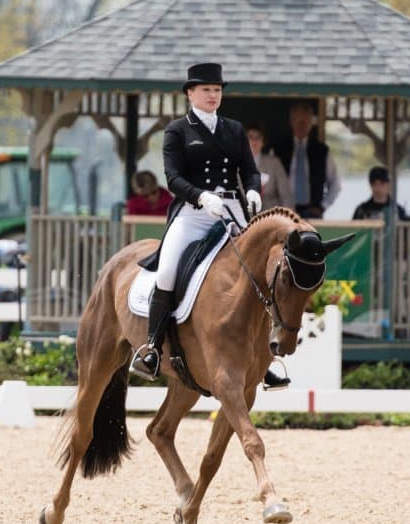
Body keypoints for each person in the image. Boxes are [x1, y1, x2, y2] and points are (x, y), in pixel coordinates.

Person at [130, 62, 279, 385]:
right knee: (167, 271)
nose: (213, 95)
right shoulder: (178, 130)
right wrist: (201, 196)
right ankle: (152, 347)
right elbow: (173, 178)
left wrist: (253, 189)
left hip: (232, 208)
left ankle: (264, 354)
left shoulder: (234, 129)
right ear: (190, 93)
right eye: (206, 90)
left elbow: (249, 169)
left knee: (260, 270)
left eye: (217, 90)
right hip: (193, 212)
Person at [271, 101, 341, 218]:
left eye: (306, 121)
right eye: (299, 121)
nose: (302, 125)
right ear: (291, 122)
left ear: (311, 124)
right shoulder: (277, 149)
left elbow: (335, 184)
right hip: (283, 212)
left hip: (313, 213)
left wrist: (322, 207)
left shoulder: (322, 151)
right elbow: (269, 183)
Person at [245, 121, 293, 210]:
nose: (254, 141)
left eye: (258, 137)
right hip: (245, 214)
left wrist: (289, 215)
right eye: (250, 137)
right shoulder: (237, 164)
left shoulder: (274, 163)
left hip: (270, 213)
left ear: (263, 141)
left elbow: (286, 195)